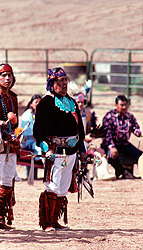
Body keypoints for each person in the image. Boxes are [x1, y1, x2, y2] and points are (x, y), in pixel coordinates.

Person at [33, 67, 85, 231]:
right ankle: (47, 222)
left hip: (71, 151)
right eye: (59, 81)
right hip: (53, 151)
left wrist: (81, 148)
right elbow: (38, 131)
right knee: (53, 185)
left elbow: (80, 128)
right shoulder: (46, 102)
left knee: (63, 186)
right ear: (51, 83)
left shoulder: (71, 101)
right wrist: (45, 149)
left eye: (65, 81)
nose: (63, 84)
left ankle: (55, 220)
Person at [0, 63, 19, 229]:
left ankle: (0, 216)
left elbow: (15, 123)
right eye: (3, 76)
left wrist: (14, 130)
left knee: (8, 178)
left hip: (11, 143)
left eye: (10, 76)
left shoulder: (13, 97)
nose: (7, 78)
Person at [73, 92, 115, 181]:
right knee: (95, 152)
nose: (80, 104)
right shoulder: (69, 114)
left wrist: (92, 136)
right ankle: (99, 173)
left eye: (82, 102)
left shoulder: (87, 113)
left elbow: (88, 130)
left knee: (100, 152)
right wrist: (84, 138)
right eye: (78, 102)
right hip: (73, 144)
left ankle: (101, 174)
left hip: (84, 143)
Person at [100, 95, 143, 179]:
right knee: (112, 154)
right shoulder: (109, 116)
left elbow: (135, 129)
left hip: (125, 144)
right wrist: (112, 147)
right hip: (111, 144)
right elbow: (107, 134)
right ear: (116, 105)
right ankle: (122, 172)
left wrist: (140, 133)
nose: (124, 107)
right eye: (121, 105)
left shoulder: (130, 117)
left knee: (141, 155)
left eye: (125, 105)